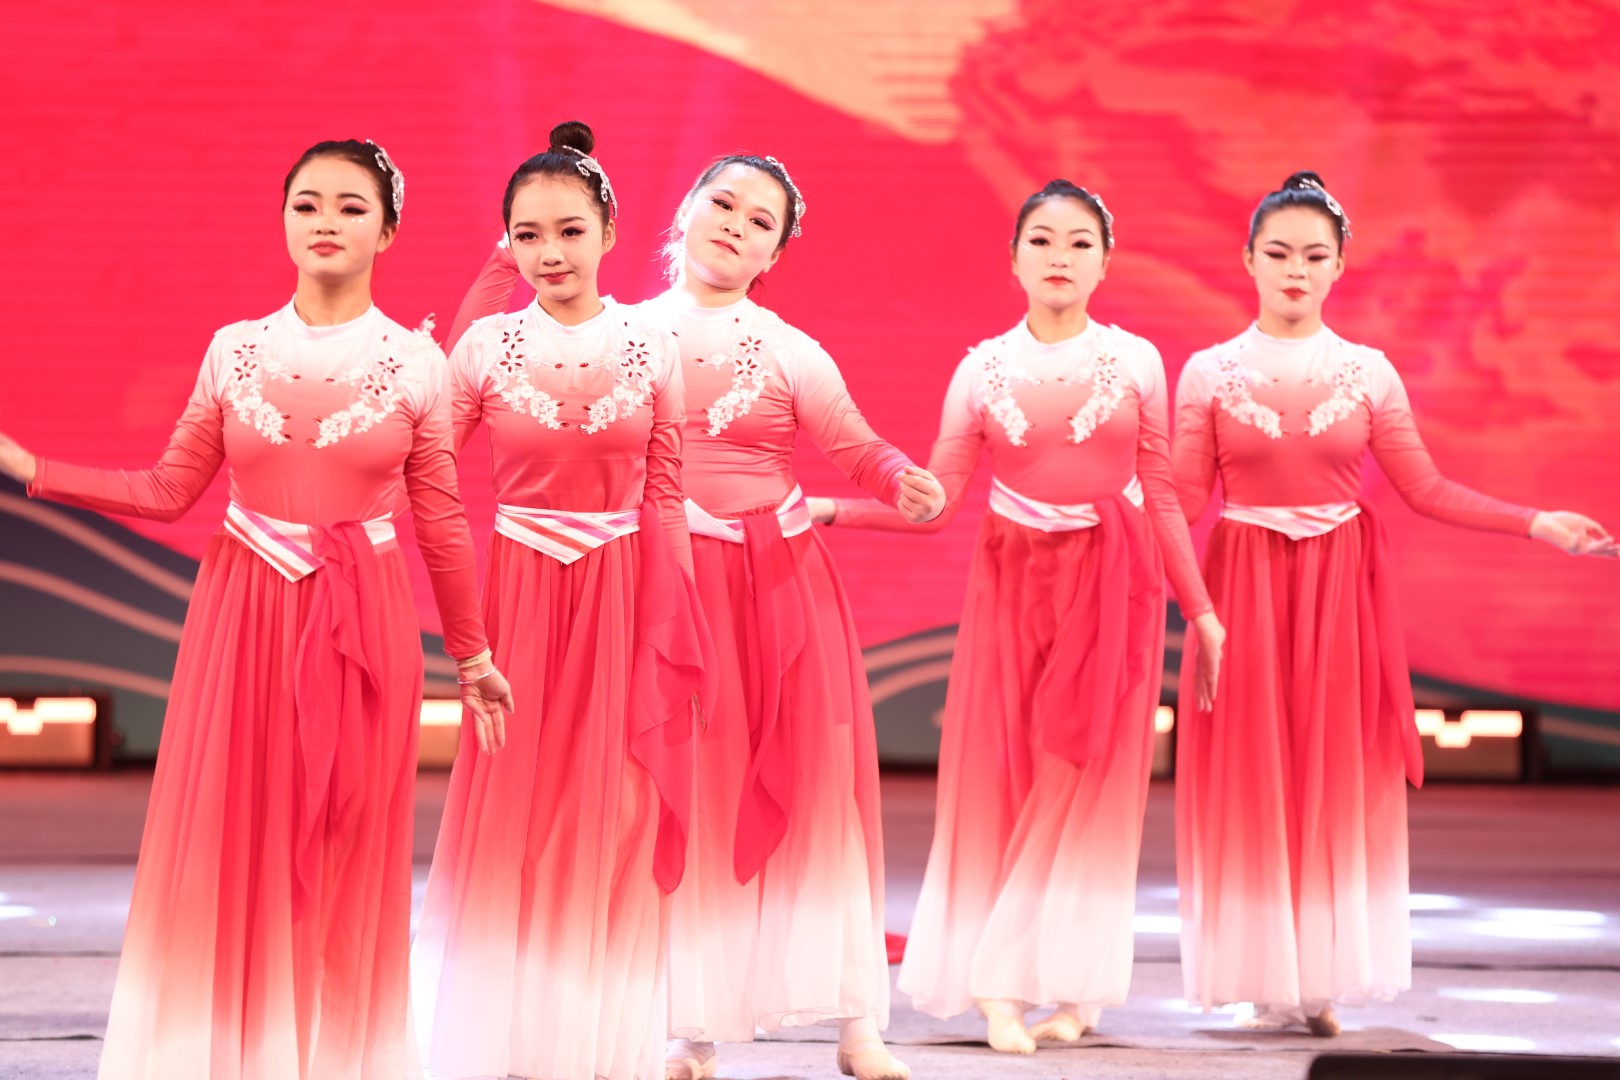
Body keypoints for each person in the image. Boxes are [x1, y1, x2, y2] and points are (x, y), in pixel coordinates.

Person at [0, 139, 511, 1080]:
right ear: (282, 220)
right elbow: (167, 491)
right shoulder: (234, 348)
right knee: (234, 838)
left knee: (343, 840)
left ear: (388, 231)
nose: (325, 222)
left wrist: (474, 660)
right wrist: (35, 468)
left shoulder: (417, 365)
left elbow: (443, 526)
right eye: (307, 203)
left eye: (351, 207)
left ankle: (328, 1058)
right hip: (241, 620)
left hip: (363, 625)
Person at [1171, 170, 1617, 1035]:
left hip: (1338, 595)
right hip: (1242, 589)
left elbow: (1426, 489)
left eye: (1314, 256)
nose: (1296, 270)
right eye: (1278, 253)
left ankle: (1317, 978)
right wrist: (1103, 500)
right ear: (1248, 260)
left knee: (1329, 773)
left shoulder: (1368, 373)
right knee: (1255, 774)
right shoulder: (1207, 373)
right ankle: (1268, 975)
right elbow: (1183, 500)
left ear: (1340, 266)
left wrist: (1537, 523)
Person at [813, 179, 1223, 1053]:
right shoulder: (981, 370)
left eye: (1079, 243)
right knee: (1006, 774)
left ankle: (1072, 984)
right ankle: (998, 984)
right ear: (1013, 258)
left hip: (1115, 585)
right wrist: (837, 509)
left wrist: (1203, 610)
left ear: (1106, 261)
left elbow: (1159, 492)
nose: (1059, 257)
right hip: (1012, 580)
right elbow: (935, 502)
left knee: (1092, 782)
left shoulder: (1137, 361)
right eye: (1042, 240)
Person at [410, 121, 708, 1080]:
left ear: (609, 233)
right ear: (507, 243)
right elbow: (428, 464)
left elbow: (667, 490)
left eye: (570, 231)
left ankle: (592, 1038)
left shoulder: (653, 343)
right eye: (528, 235)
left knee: (612, 808)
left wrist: (675, 624)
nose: (551, 252)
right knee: (518, 809)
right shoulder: (487, 346)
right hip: (520, 595)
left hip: (622, 592)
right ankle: (506, 1037)